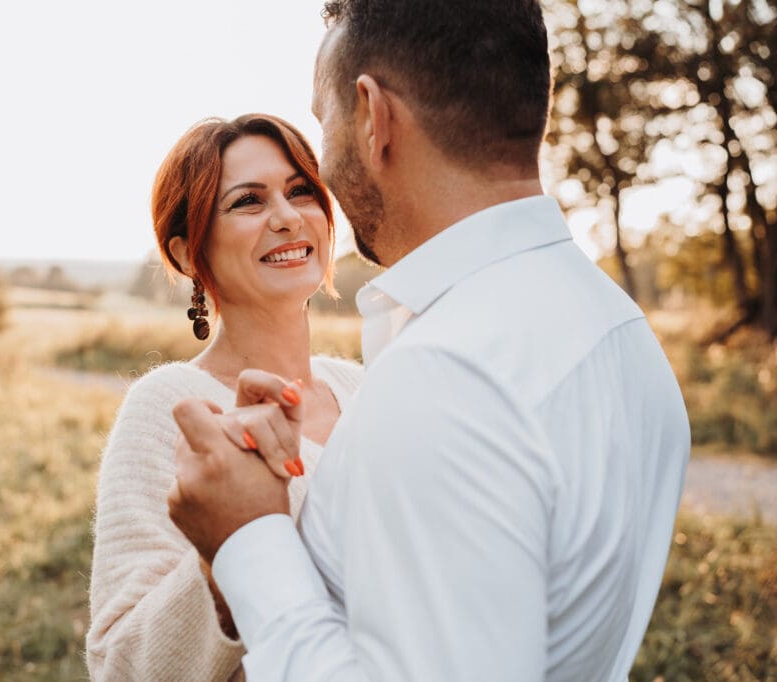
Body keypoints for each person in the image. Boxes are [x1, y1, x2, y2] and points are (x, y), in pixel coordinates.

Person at [166, 2, 691, 680]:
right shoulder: (618, 328)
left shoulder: (446, 373)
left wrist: (248, 539)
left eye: (324, 122)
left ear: (372, 115)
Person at [84, 113, 363, 681]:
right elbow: (119, 664)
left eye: (300, 191)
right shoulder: (171, 408)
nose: (287, 217)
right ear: (189, 253)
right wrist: (225, 550)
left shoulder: (362, 386)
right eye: (248, 202)